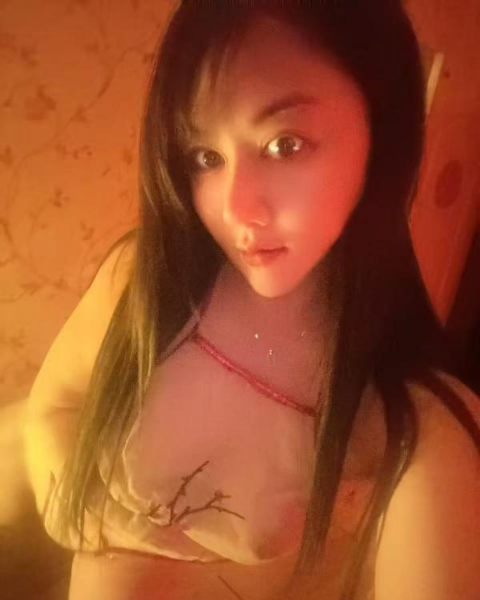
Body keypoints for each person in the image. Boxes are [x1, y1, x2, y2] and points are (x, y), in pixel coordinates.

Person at [24, 1, 480, 599]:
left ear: (382, 132)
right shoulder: (145, 279)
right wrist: (95, 526)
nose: (234, 208)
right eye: (206, 157)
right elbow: (52, 409)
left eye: (285, 144)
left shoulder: (415, 423)